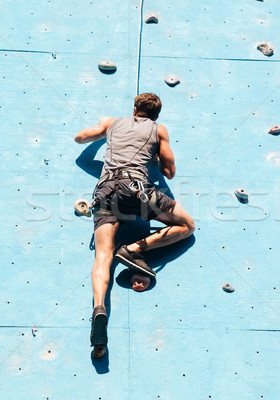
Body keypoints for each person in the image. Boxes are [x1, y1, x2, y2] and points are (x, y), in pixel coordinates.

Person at [74, 93, 195, 359]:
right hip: (137, 191)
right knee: (187, 226)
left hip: (105, 191)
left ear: (134, 109)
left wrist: (104, 127)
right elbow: (169, 172)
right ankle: (133, 249)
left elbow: (80, 139)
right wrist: (154, 155)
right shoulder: (158, 129)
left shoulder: (113, 123)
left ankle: (99, 309)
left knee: (102, 257)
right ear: (157, 115)